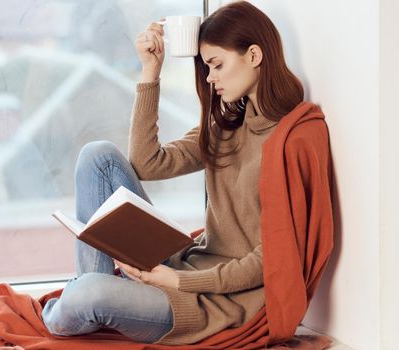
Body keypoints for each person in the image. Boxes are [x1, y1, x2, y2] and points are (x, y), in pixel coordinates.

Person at [41, 1, 331, 346]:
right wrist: (151, 70)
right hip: (183, 266)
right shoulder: (227, 127)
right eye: (207, 67)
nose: (210, 78)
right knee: (98, 156)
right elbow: (147, 163)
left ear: (254, 55)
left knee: (83, 295)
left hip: (215, 301)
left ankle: (87, 299)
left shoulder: (294, 138)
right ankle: (97, 294)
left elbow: (271, 260)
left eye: (217, 65)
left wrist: (175, 282)